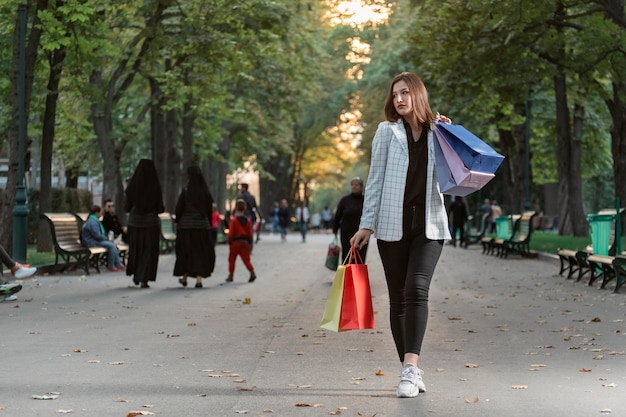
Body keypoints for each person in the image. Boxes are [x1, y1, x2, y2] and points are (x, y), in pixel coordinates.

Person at [350, 72, 451, 399]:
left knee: (416, 287)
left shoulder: (440, 132)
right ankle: (409, 369)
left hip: (429, 226)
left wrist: (453, 135)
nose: (399, 99)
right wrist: (367, 225)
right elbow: (375, 180)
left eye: (405, 93)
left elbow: (462, 176)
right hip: (392, 226)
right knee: (398, 298)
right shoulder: (386, 133)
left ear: (418, 95)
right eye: (395, 95)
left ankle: (410, 366)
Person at [173, 166, 216, 289]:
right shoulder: (205, 193)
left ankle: (185, 278)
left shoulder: (186, 191)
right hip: (202, 228)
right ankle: (198, 280)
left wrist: (177, 221)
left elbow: (179, 208)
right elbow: (209, 211)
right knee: (200, 253)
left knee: (186, 253)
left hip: (186, 228)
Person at [125, 159, 165, 288]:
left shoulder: (132, 185)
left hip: (135, 223)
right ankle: (144, 278)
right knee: (148, 251)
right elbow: (160, 208)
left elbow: (126, 207)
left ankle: (136, 274)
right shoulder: (155, 185)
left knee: (136, 249)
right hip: (150, 223)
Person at [333, 176, 368, 263]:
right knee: (346, 255)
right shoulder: (345, 200)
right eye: (352, 185)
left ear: (361, 187)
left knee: (360, 255)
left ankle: (358, 275)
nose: (354, 186)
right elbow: (338, 216)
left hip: (361, 232)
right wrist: (335, 229)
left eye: (357, 185)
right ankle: (346, 275)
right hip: (346, 233)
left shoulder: (366, 200)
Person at [82, 205, 125, 272]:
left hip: (95, 240)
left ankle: (118, 264)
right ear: (96, 213)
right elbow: (97, 236)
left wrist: (107, 239)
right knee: (111, 245)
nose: (101, 214)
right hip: (91, 242)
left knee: (112, 244)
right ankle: (111, 265)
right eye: (100, 212)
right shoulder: (92, 222)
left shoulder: (94, 220)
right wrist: (107, 239)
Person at [225, 199, 256, 283]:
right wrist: (249, 241)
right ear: (244, 208)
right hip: (245, 242)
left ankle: (231, 275)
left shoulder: (234, 221)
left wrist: (229, 240)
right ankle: (252, 272)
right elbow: (250, 233)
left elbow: (231, 233)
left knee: (232, 259)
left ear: (236, 208)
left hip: (235, 242)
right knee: (246, 260)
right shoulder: (248, 221)